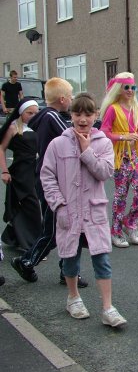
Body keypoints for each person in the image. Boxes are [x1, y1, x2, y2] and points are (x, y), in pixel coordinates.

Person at [41, 92, 126, 327]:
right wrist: (58, 203)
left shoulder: (104, 143)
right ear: (71, 115)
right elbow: (47, 175)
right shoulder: (58, 144)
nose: (83, 119)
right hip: (68, 211)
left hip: (93, 211)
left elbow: (105, 173)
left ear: (96, 115)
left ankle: (108, 308)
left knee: (102, 259)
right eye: (78, 113)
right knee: (70, 259)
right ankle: (73, 298)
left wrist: (87, 151)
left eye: (88, 114)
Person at [10, 78, 88, 288]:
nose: (71, 100)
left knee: (68, 226)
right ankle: (27, 261)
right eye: (71, 97)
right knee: (53, 230)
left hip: (53, 178)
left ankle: (67, 271)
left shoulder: (45, 116)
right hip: (53, 181)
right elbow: (75, 135)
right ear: (63, 99)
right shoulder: (52, 117)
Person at [100, 72, 138, 248]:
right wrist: (122, 137)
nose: (130, 90)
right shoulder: (113, 109)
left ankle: (130, 223)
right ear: (119, 89)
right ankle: (116, 232)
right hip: (120, 158)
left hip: (134, 157)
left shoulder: (136, 109)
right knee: (121, 195)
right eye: (126, 87)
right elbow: (104, 132)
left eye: (132, 87)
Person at [0, 98, 42, 252]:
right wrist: (4, 171)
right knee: (32, 206)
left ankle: (13, 237)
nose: (32, 115)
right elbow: (1, 148)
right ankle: (33, 245)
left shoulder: (38, 126)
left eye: (35, 113)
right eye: (29, 113)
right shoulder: (13, 128)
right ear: (20, 113)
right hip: (20, 173)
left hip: (36, 171)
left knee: (27, 205)